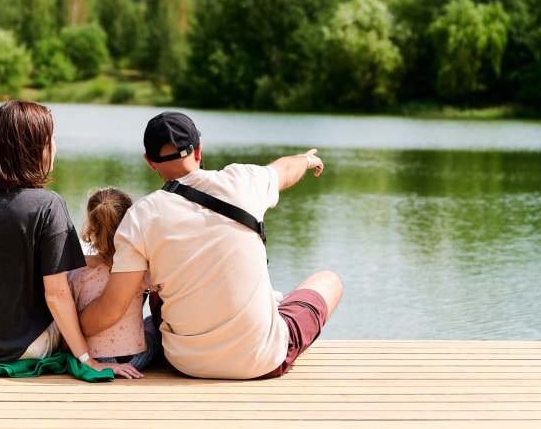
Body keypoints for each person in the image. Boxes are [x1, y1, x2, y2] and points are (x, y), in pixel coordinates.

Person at [79, 111, 343, 379]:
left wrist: (67, 329)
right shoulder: (245, 181)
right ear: (199, 150)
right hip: (261, 360)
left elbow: (111, 310)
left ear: (150, 162)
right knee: (329, 281)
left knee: (158, 278)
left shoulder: (141, 216)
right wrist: (307, 159)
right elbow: (285, 170)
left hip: (185, 364)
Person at [0, 100, 137, 378]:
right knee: (68, 292)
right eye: (51, 140)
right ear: (35, 150)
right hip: (21, 349)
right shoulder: (47, 205)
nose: (54, 147)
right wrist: (86, 359)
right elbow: (56, 294)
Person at [68, 187, 161, 372]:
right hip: (132, 359)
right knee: (154, 323)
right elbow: (161, 287)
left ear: (91, 225)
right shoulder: (140, 269)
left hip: (86, 356)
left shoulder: (75, 269)